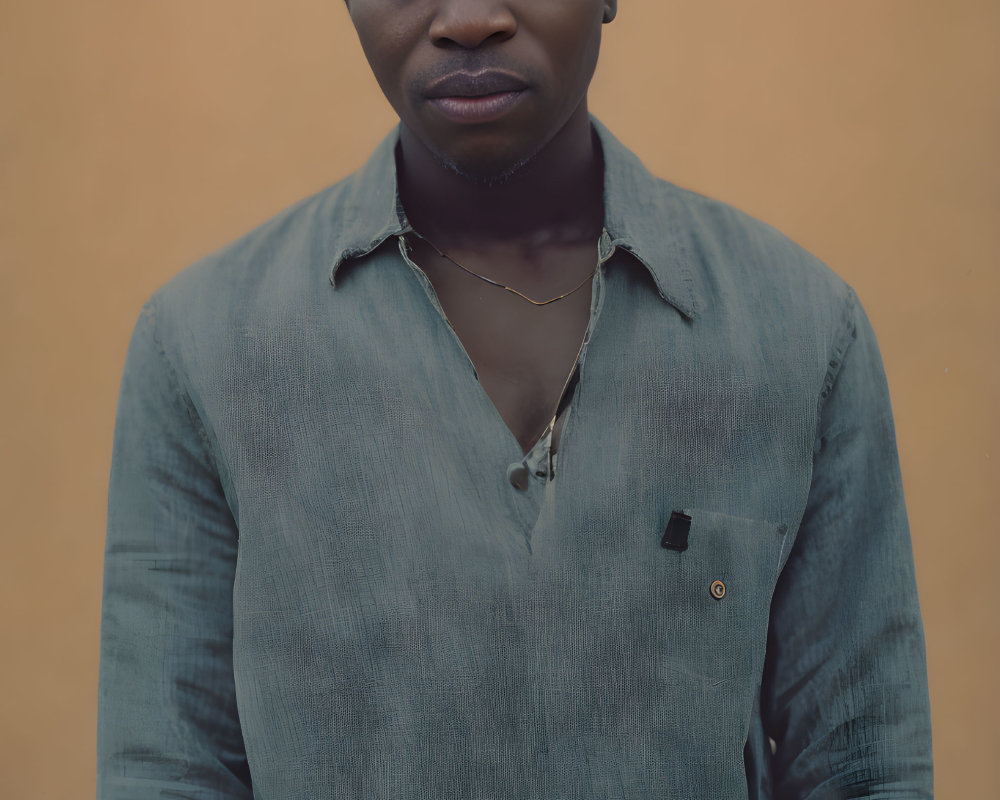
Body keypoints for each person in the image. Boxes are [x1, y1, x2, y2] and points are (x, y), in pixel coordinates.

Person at [96, 1, 933, 797]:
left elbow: (864, 767)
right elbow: (166, 772)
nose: (467, 21)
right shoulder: (205, 346)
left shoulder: (799, 330)